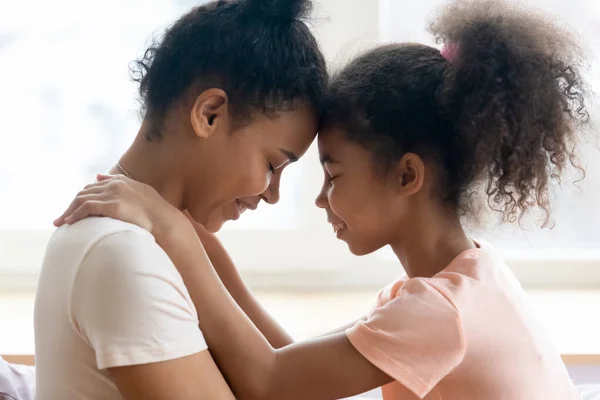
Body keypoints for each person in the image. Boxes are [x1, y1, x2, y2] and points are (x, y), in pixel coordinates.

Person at [57, 0, 592, 398]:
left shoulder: (439, 312)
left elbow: (271, 381)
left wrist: (173, 234)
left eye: (332, 175)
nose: (317, 200)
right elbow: (290, 361)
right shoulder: (456, 285)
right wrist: (198, 242)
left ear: (407, 176)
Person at [34, 0, 327, 398]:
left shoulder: (147, 241)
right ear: (209, 114)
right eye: (273, 165)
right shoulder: (121, 252)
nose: (272, 195)